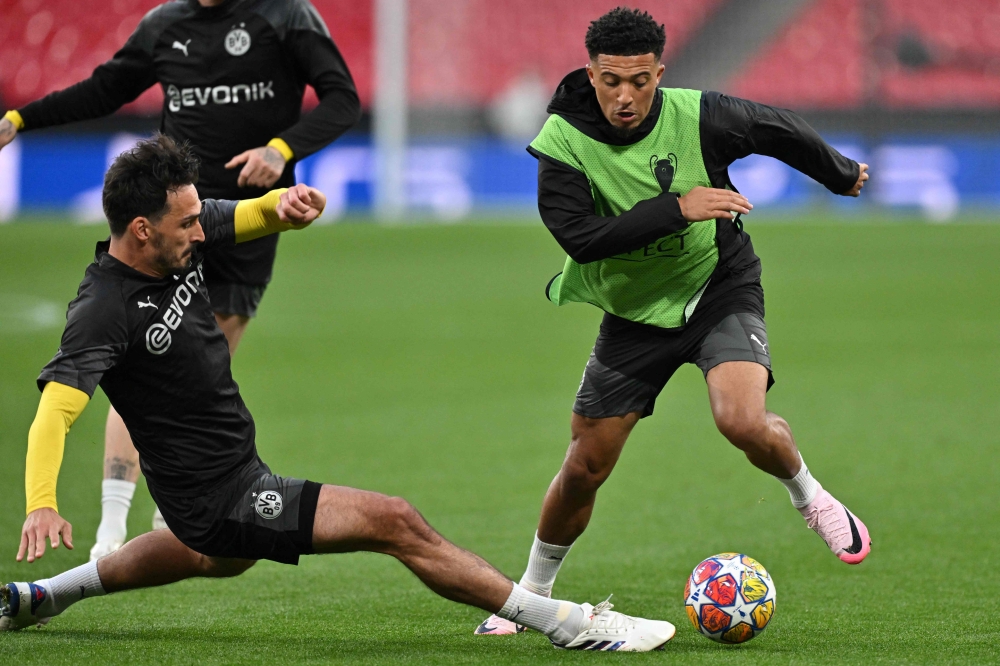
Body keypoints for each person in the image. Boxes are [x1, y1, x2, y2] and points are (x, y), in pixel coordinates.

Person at [0, 135, 674, 653]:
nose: (199, 231)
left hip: (226, 476)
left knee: (209, 556)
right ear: (141, 230)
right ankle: (564, 624)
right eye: (185, 224)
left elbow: (244, 214)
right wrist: (41, 505)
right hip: (219, 493)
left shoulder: (173, 230)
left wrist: (284, 210)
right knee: (394, 521)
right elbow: (53, 413)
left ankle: (43, 597)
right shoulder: (103, 309)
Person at [476, 8, 873, 636]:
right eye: (612, 82)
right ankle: (532, 594)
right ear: (592, 73)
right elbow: (580, 238)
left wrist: (838, 171)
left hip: (719, 285)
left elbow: (772, 127)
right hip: (635, 313)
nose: (625, 97)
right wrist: (678, 207)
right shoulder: (563, 142)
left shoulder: (698, 114)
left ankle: (811, 497)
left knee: (739, 419)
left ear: (659, 73)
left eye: (640, 81)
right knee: (584, 466)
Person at [0, 0, 362, 559]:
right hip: (167, 224)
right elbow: (105, 88)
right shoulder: (165, 25)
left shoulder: (285, 16)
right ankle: (111, 532)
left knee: (202, 360)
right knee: (144, 354)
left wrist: (281, 150)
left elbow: (343, 99)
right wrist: (20, 119)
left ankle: (165, 511)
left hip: (233, 221)